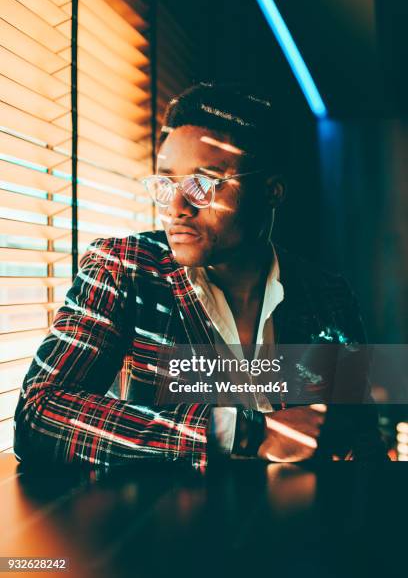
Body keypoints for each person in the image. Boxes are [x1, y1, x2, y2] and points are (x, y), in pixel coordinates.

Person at [13, 83, 386, 470]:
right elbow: (38, 414)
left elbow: (363, 444)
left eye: (203, 183)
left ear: (271, 191)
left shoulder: (328, 296)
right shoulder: (125, 268)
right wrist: (244, 432)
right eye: (165, 183)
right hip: (159, 525)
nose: (176, 206)